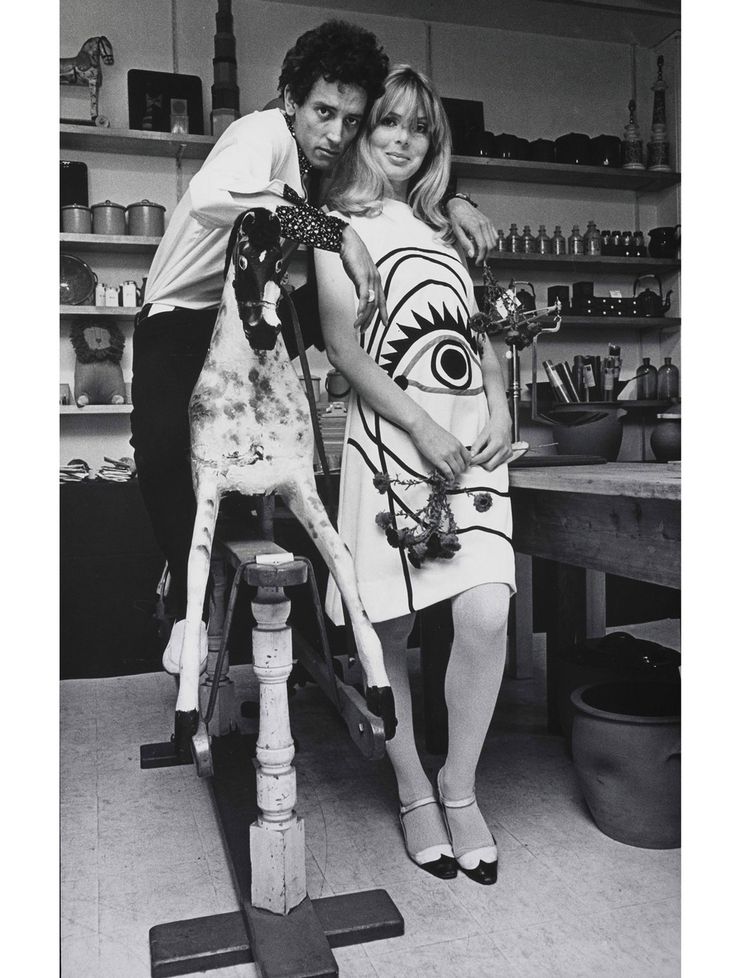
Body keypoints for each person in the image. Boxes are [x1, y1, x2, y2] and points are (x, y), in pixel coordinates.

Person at [130, 21, 498, 672]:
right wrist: (333, 234)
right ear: (291, 100)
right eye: (324, 112)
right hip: (182, 319)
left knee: (339, 321)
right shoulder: (261, 134)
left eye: (352, 120)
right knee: (161, 450)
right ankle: (189, 611)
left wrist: (458, 201)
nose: (336, 133)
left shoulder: (324, 162)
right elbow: (218, 199)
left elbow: (397, 185)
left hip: (249, 313)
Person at [315, 65, 515, 885]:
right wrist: (423, 426)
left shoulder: (444, 226)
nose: (400, 139)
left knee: (487, 611)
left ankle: (459, 787)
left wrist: (500, 401)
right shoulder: (331, 223)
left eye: (419, 128)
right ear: (361, 131)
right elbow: (344, 350)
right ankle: (412, 790)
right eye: (385, 123)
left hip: (470, 442)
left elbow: (481, 327)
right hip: (394, 440)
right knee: (389, 628)